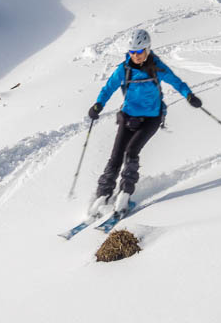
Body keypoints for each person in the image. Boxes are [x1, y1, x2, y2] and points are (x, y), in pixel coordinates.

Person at [86, 28, 201, 216]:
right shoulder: (124, 70)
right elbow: (108, 88)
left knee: (131, 151)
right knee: (115, 156)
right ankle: (103, 195)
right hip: (128, 116)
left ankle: (125, 193)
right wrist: (98, 105)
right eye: (132, 52)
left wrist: (189, 96)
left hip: (152, 118)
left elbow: (176, 82)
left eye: (139, 52)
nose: (136, 56)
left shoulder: (156, 66)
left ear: (147, 50)